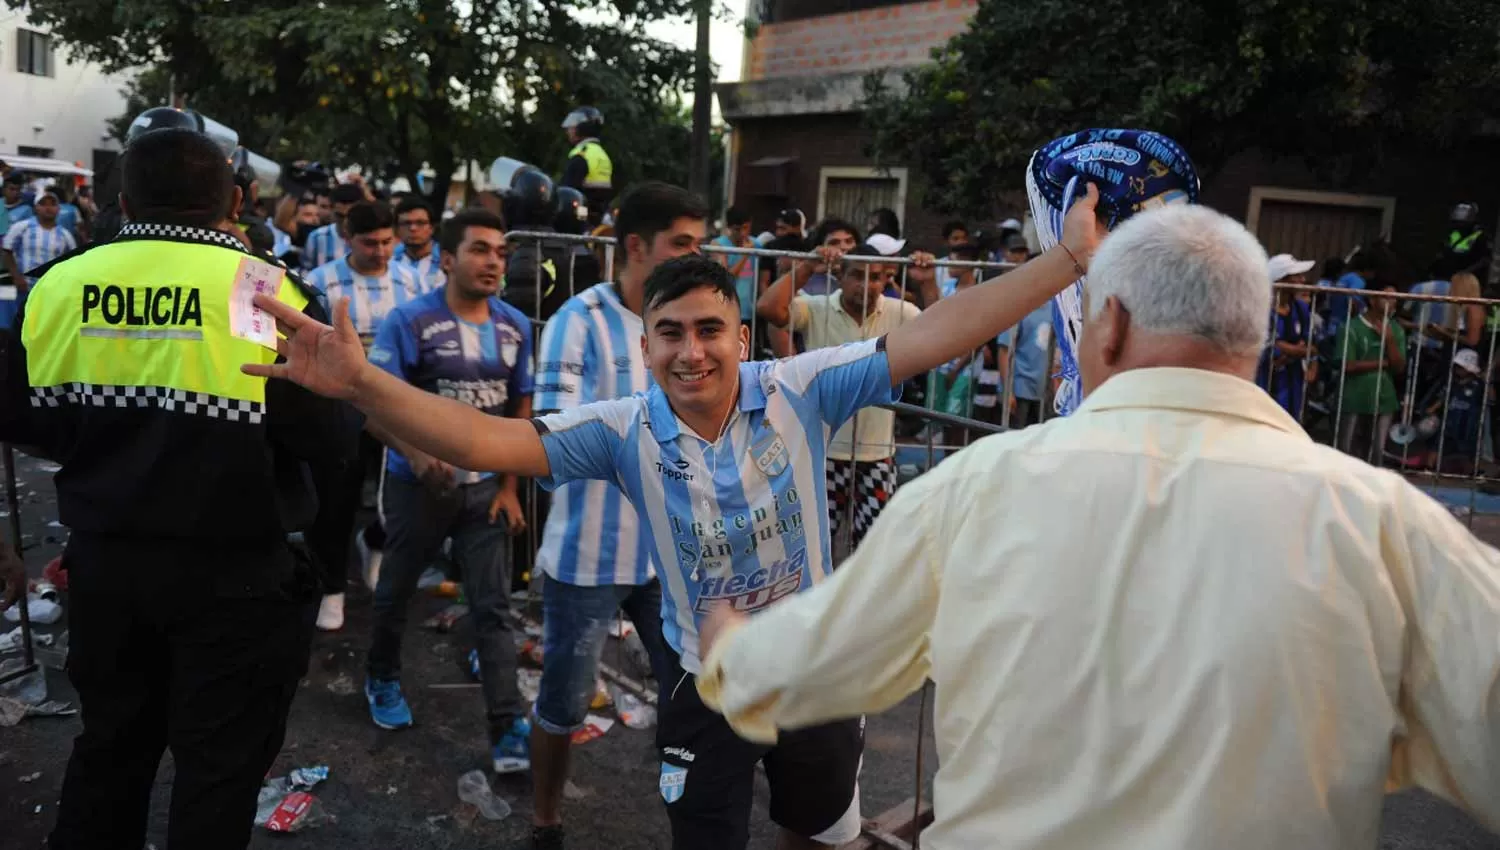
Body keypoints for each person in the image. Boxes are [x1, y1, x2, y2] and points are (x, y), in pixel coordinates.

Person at [243, 181, 1107, 850]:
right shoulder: (621, 430)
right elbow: (479, 439)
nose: (690, 351)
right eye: (669, 333)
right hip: (708, 687)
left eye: (708, 329)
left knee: (819, 830)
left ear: (740, 336)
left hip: (815, 675)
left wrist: (1068, 261)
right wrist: (360, 384)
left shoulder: (800, 387)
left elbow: (941, 333)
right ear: (646, 343)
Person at [692, 202, 1500, 850]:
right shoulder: (1386, 523)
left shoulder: (978, 487)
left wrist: (729, 646)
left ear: (1106, 325)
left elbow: (813, 666)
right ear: (1252, 338)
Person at [0, 126, 350, 849]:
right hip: (239, 582)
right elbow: (333, 444)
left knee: (108, 757)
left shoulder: (59, 284)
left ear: (120, 200)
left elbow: (24, 420)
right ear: (236, 201)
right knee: (217, 779)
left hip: (107, 573)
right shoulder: (270, 290)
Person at [527, 182, 688, 850]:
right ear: (635, 247)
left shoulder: (682, 322)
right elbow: (548, 432)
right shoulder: (579, 319)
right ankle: (545, 820)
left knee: (689, 692)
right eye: (681, 244)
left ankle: (688, 809)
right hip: (587, 554)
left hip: (673, 553)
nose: (693, 256)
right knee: (565, 698)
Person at [362, 208, 535, 772]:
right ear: (446, 260)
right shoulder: (407, 322)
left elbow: (520, 406)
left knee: (493, 607)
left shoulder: (515, 325)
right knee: (394, 594)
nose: (493, 262)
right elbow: (372, 404)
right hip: (416, 489)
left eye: (501, 253)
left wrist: (509, 484)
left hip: (485, 494)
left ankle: (507, 724)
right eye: (480, 250)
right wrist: (416, 452)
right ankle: (382, 677)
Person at [305, 200, 428, 630]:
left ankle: (374, 544)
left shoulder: (411, 282)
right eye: (369, 243)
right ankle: (332, 587)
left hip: (396, 404)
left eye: (387, 242)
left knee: (396, 495)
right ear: (346, 238)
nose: (380, 252)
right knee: (335, 500)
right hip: (342, 409)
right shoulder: (321, 283)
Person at [758, 243, 921, 551]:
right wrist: (807, 266)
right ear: (840, 277)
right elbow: (768, 308)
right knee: (815, 543)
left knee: (874, 547)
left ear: (886, 279)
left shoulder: (899, 312)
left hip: (877, 454)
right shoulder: (817, 307)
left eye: (875, 277)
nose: (866, 285)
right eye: (857, 275)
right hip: (825, 452)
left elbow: (941, 329)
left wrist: (927, 282)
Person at [1331, 283, 1406, 464]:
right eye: (1386, 297)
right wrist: (1384, 363)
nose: (1392, 302)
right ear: (1372, 300)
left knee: (1377, 454)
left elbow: (1399, 367)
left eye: (1394, 298)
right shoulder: (1351, 327)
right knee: (1345, 453)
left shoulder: (1395, 329)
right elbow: (1347, 365)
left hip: (1384, 398)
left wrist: (1389, 342)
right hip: (1353, 397)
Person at [3, 190, 77, 283]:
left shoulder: (65, 235)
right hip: (26, 287)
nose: (48, 208)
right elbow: (7, 249)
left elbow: (74, 260)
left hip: (52, 287)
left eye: (52, 204)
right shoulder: (22, 227)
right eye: (43, 204)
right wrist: (17, 277)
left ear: (58, 208)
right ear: (36, 208)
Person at [559, 106, 612, 226]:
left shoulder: (582, 155)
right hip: (598, 218)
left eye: (573, 125)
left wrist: (580, 221)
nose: (568, 130)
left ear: (582, 128)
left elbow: (568, 192)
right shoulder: (602, 155)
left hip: (580, 217)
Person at [301, 183, 366, 271]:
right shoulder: (317, 237)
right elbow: (305, 273)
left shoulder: (374, 238)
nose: (345, 222)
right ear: (331, 210)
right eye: (340, 216)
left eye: (351, 216)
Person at [393, 197, 446, 290]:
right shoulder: (389, 260)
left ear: (432, 228)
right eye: (406, 223)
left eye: (420, 223)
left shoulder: (447, 261)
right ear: (397, 229)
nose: (413, 228)